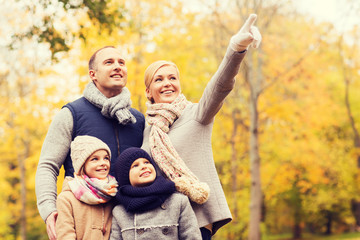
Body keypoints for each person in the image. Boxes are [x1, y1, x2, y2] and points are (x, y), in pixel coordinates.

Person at [141, 14, 261, 239]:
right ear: (148, 91)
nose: (167, 83)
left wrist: (235, 50)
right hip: (158, 225)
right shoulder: (147, 129)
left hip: (195, 223)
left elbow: (220, 86)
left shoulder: (197, 114)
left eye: (172, 78)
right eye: (159, 79)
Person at [35, 46, 145, 240]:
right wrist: (48, 210)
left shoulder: (137, 119)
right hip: (81, 220)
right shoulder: (71, 114)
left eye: (121, 62)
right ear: (93, 74)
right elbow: (48, 165)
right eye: (109, 62)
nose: (118, 67)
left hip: (129, 220)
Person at [110, 147, 202, 239]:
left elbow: (192, 237)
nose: (144, 166)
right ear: (125, 177)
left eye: (147, 162)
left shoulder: (178, 201)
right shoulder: (120, 212)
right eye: (135, 165)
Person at [56, 135, 118, 239]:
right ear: (82, 165)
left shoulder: (112, 193)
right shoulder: (66, 199)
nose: (103, 163)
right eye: (95, 159)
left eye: (106, 158)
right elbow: (65, 236)